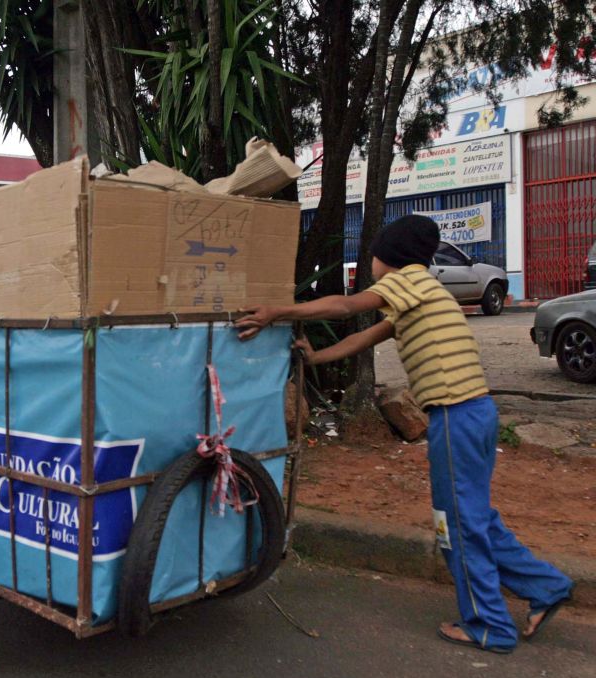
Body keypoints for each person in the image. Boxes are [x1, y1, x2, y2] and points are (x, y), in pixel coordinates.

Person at [235, 214, 574, 654]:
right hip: (476, 414)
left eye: (374, 254)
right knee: (476, 518)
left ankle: (489, 625)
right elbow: (364, 339)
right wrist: (315, 357)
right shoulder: (422, 292)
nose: (371, 263)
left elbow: (345, 307)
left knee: (456, 525)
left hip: (455, 417)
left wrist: (276, 311)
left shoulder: (405, 281)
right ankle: (545, 587)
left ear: (387, 257)